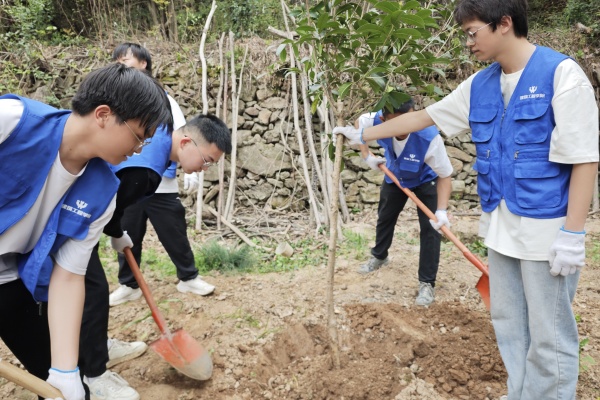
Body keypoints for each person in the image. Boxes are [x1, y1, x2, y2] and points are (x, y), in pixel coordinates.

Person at [334, 0, 599, 398]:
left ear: (504, 23)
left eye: (472, 33)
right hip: (501, 229)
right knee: (510, 324)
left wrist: (572, 234)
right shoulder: (480, 85)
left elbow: (584, 157)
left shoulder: (561, 74)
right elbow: (425, 117)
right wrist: (362, 135)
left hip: (546, 233)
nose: (468, 43)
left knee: (549, 334)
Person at [0, 63, 173, 400]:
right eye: (139, 136)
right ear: (104, 115)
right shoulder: (13, 121)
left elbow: (68, 276)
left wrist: (64, 371)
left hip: (6, 276)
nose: (139, 149)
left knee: (64, 387)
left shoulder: (103, 193)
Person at [108, 43, 216, 307]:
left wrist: (189, 172)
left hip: (162, 182)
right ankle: (129, 284)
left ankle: (188, 277)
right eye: (117, 61)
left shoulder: (161, 97)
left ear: (143, 62)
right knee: (128, 231)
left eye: (126, 59)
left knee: (174, 230)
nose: (121, 64)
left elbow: (182, 132)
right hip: (129, 177)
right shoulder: (116, 96)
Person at [355, 96, 453, 306]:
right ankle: (380, 256)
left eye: (408, 119)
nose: (405, 125)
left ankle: (427, 283)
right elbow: (359, 124)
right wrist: (367, 156)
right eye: (397, 122)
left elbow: (445, 175)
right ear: (384, 120)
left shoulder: (428, 137)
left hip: (426, 180)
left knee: (431, 229)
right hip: (396, 176)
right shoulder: (376, 120)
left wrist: (442, 210)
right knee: (385, 217)